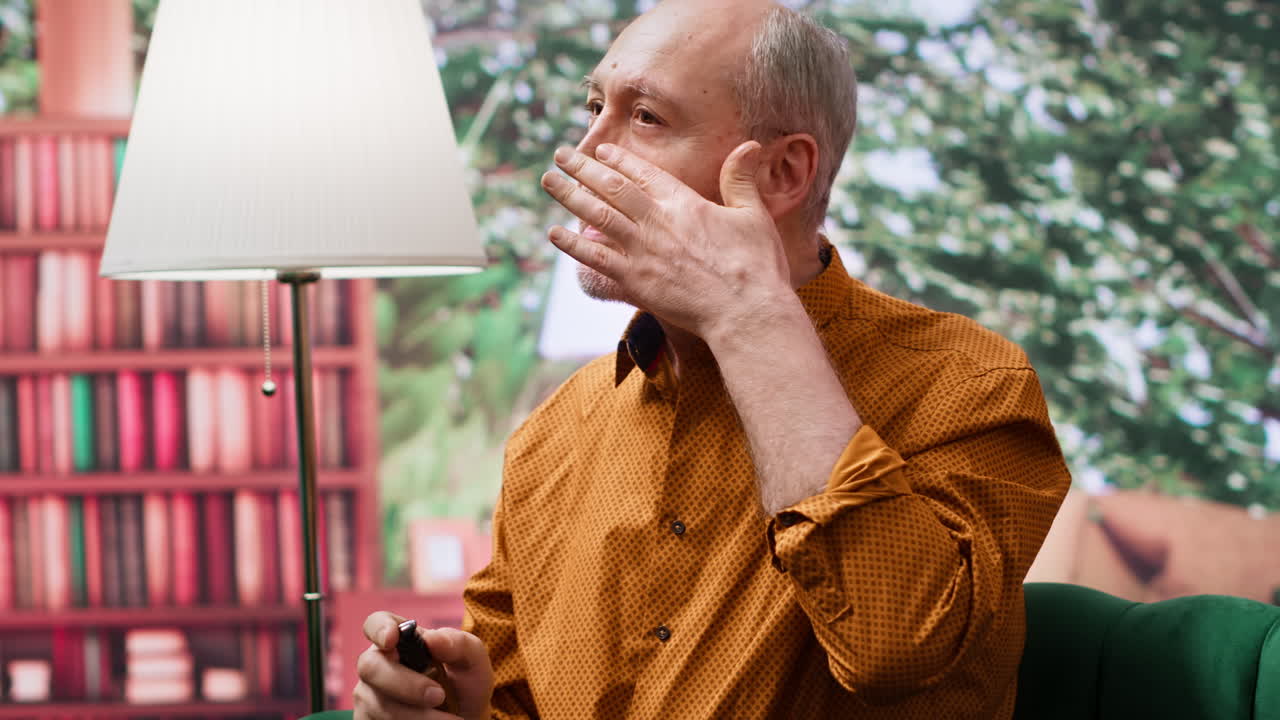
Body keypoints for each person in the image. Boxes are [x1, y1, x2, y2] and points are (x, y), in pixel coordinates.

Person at [354, 0, 1072, 718]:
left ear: (784, 174)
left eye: (646, 118)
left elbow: (894, 647)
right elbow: (513, 701)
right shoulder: (554, 433)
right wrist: (453, 708)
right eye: (595, 105)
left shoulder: (970, 387)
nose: (588, 147)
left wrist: (747, 313)